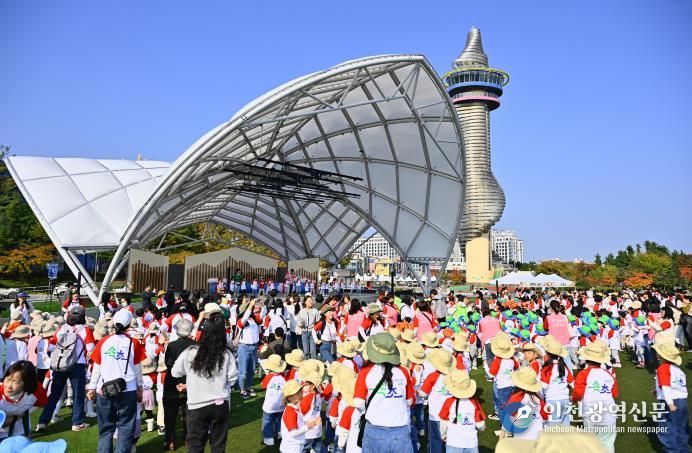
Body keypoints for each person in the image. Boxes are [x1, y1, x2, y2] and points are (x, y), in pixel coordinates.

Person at [172, 306, 238, 453]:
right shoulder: (226, 354)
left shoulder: (191, 352)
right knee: (218, 446)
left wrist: (191, 382)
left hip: (197, 405)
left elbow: (175, 372)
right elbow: (232, 379)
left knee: (196, 446)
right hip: (219, 403)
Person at [87, 309, 145, 453]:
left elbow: (97, 367)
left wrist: (92, 387)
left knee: (106, 429)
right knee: (125, 427)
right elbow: (138, 369)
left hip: (104, 389)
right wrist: (140, 387)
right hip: (127, 389)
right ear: (128, 325)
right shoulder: (134, 343)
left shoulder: (104, 341)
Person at [353, 332, 414, 453]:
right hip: (400, 429)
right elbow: (409, 401)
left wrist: (368, 410)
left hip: (375, 427)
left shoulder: (366, 371)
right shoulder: (403, 371)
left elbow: (358, 402)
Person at [37, 305, 95, 432]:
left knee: (54, 394)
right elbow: (91, 348)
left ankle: (42, 422)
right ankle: (77, 422)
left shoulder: (61, 329)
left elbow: (50, 348)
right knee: (78, 394)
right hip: (78, 365)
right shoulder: (86, 330)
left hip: (61, 365)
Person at [572, 340, 618, 453]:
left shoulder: (583, 374)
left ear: (586, 359)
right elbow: (614, 393)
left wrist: (574, 400)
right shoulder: (608, 374)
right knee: (607, 442)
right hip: (608, 413)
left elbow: (578, 393)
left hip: (590, 413)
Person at [163, 318, 196, 451]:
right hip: (188, 381)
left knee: (170, 414)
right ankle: (187, 439)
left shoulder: (173, 346)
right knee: (188, 413)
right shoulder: (195, 345)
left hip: (174, 382)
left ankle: (170, 440)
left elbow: (169, 364)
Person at [652, 341, 688, 452]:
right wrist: (658, 391)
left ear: (661, 356)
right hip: (682, 401)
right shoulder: (678, 370)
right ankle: (683, 450)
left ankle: (672, 450)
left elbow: (666, 387)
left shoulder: (663, 368)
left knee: (666, 428)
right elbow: (676, 386)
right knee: (681, 428)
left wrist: (670, 403)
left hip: (669, 402)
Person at [438, 369, 485, 453]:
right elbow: (480, 424)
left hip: (453, 442)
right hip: (471, 442)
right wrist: (481, 429)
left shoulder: (449, 402)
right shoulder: (474, 402)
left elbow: (443, 423)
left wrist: (443, 434)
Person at [0, 361, 48, 441]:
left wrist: (25, 411)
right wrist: (15, 417)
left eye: (16, 382)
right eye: (8, 379)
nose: (9, 386)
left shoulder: (36, 390)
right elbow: (3, 424)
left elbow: (41, 402)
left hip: (22, 433)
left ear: (27, 383)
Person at [420, 348, 454, 453]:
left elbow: (423, 393)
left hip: (436, 414)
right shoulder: (454, 376)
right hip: (451, 414)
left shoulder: (432, 376)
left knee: (435, 439)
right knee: (451, 440)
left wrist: (417, 390)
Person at [538, 335, 574, 426]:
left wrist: (537, 380)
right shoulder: (563, 366)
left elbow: (544, 386)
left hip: (552, 400)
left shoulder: (547, 368)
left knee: (553, 429)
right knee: (565, 426)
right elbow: (573, 383)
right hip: (565, 399)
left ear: (547, 353)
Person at [280, 379, 321, 453]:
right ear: (289, 397)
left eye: (300, 391)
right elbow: (293, 433)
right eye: (298, 393)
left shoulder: (294, 409)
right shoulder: (290, 412)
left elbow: (298, 425)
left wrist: (312, 423)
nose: (301, 393)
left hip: (294, 447)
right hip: (291, 449)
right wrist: (308, 426)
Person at [236, 298, 261, 399]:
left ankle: (248, 387)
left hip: (254, 347)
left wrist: (262, 304)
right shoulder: (241, 321)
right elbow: (246, 315)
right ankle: (242, 389)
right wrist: (250, 305)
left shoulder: (253, 319)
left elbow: (262, 315)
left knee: (252, 370)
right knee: (243, 371)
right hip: (244, 347)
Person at [260, 354, 288, 446]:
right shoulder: (284, 377)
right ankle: (280, 434)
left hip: (269, 405)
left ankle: (269, 438)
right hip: (280, 404)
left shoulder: (269, 377)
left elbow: (263, 385)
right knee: (278, 420)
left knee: (267, 421)